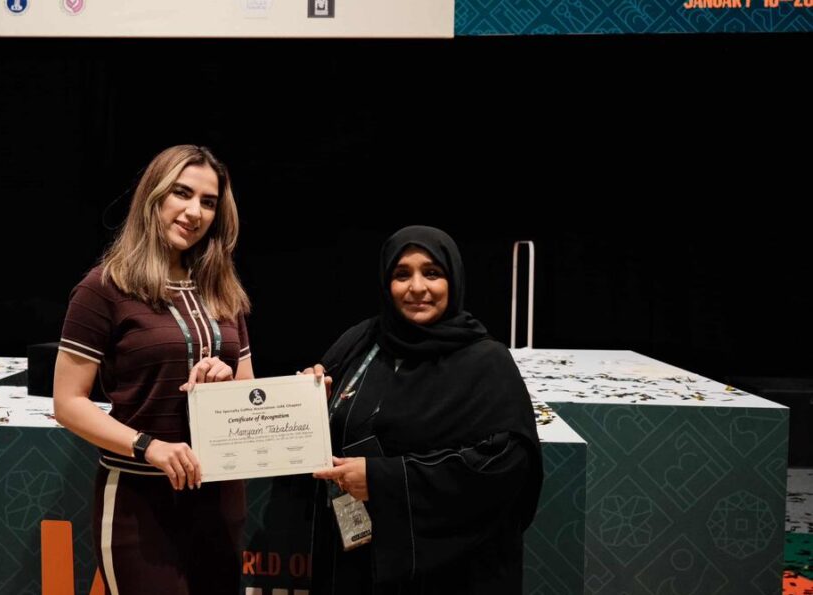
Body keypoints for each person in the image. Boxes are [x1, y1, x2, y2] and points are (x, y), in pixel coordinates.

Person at [52, 145, 253, 595]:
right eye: (181, 193)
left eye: (207, 201)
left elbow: (247, 390)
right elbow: (67, 404)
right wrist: (149, 447)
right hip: (139, 502)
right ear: (154, 197)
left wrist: (225, 386)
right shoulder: (103, 288)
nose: (194, 211)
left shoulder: (224, 290)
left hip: (220, 500)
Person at [302, 225, 542, 594]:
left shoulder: (486, 362)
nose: (417, 287)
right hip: (356, 565)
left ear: (453, 279)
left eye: (432, 273)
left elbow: (507, 466)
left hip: (452, 573)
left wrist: (383, 482)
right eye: (402, 274)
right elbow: (324, 432)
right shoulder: (362, 342)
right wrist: (311, 396)